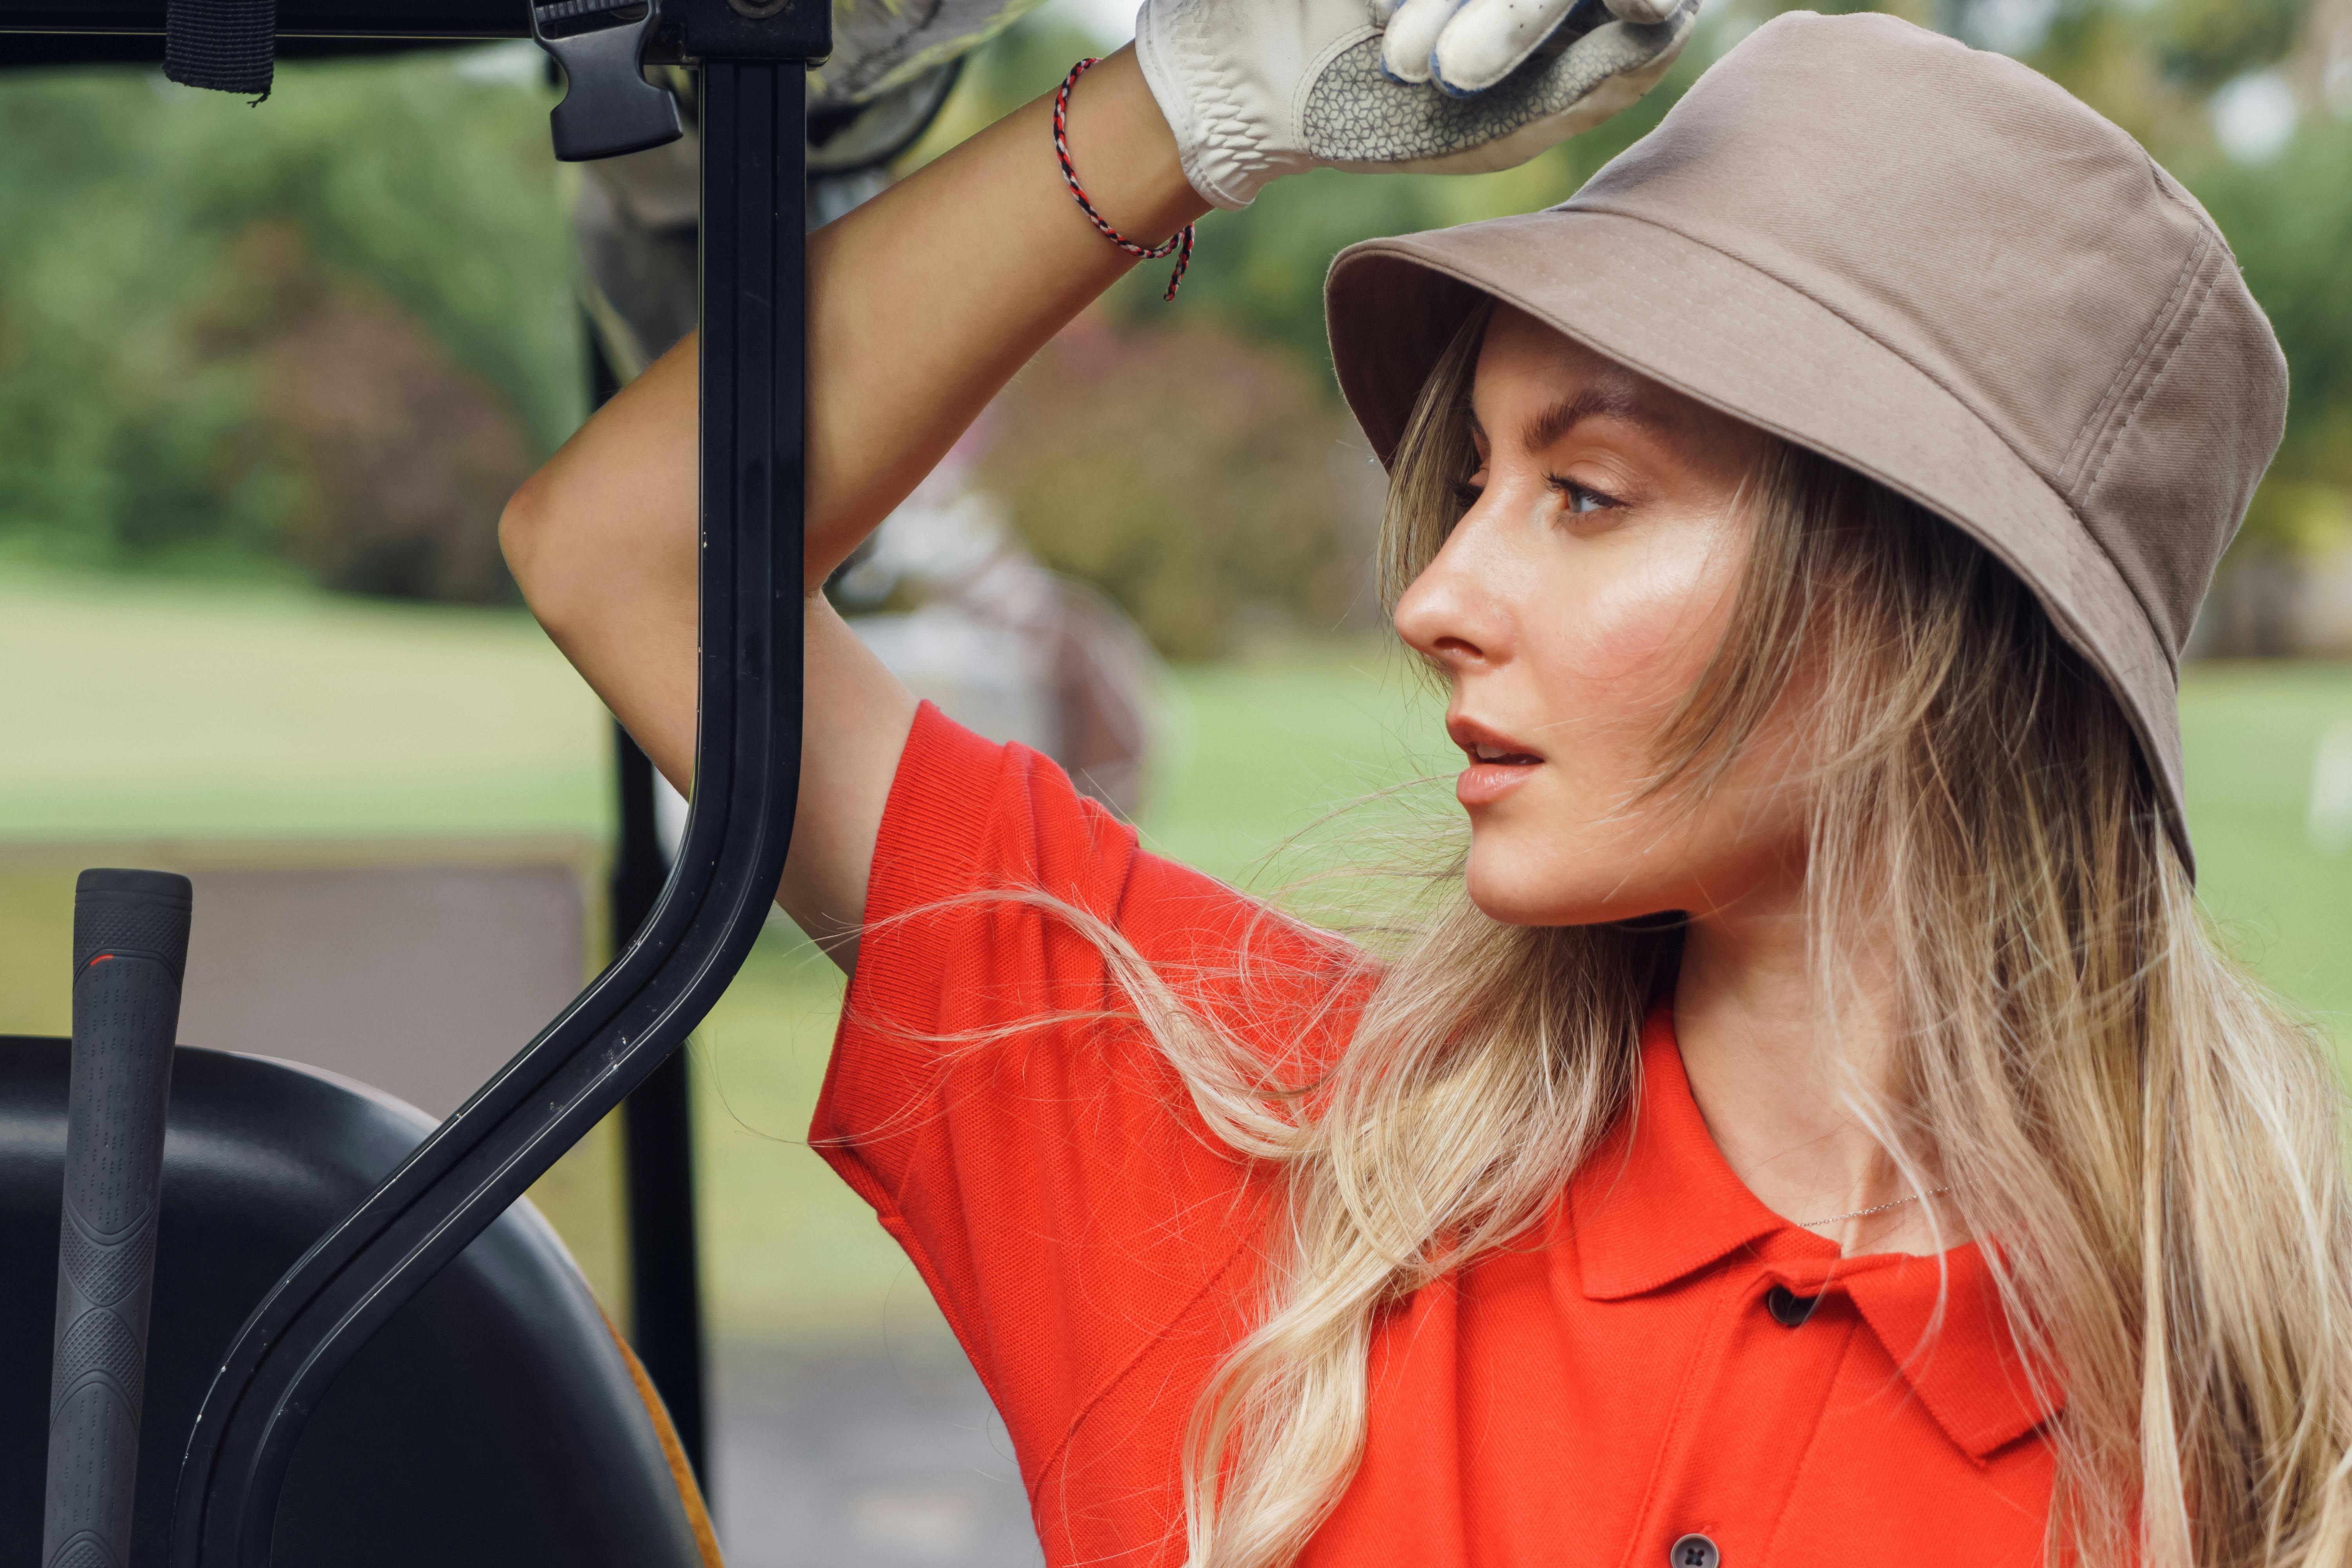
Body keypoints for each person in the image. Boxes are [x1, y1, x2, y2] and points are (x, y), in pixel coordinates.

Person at [499, 4, 2352, 1564]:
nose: (1436, 595)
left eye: (1589, 495)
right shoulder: (1250, 1151)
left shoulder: (2260, 1420)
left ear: (1925, 609)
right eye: (1472, 480)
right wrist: (1191, 108)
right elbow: (630, 550)